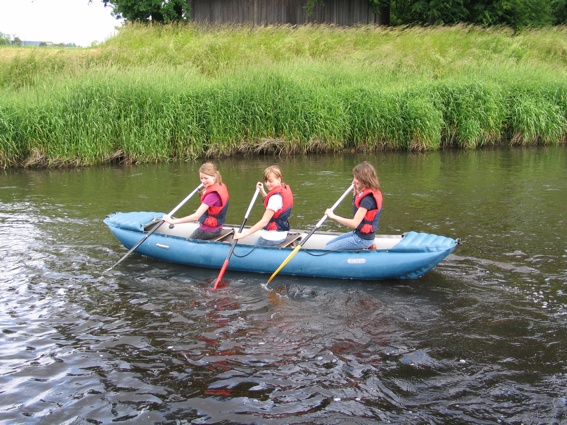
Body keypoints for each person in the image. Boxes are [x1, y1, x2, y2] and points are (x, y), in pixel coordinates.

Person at [324, 161, 383, 251]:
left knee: (326, 249)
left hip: (362, 239)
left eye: (357, 178)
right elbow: (357, 205)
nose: (354, 180)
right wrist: (355, 190)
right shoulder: (367, 191)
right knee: (328, 244)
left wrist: (333, 216)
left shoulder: (368, 199)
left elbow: (354, 223)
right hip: (358, 234)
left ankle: (367, 247)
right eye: (354, 177)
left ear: (364, 179)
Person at [162, 162, 229, 240]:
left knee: (188, 243)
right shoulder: (219, 185)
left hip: (208, 231)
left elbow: (196, 216)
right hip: (217, 227)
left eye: (206, 178)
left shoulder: (212, 195)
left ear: (214, 176)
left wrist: (173, 222)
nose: (203, 181)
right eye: (201, 178)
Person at [233, 165, 293, 246]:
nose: (267, 184)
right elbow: (275, 205)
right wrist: (262, 191)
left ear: (279, 179)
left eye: (270, 181)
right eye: (266, 181)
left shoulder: (275, 198)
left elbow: (264, 222)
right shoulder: (283, 190)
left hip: (271, 238)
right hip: (281, 234)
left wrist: (244, 234)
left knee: (249, 252)